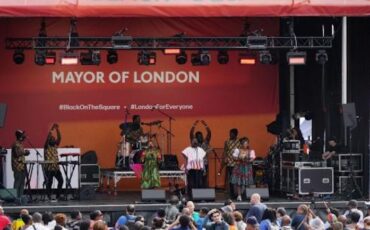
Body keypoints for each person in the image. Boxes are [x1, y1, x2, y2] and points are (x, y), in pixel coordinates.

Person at [44, 123, 63, 200]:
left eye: (54, 139)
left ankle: (58, 195)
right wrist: (51, 130)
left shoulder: (55, 145)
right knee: (50, 182)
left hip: (56, 167)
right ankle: (48, 196)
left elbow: (59, 138)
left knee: (61, 181)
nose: (53, 139)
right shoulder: (46, 146)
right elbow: (48, 138)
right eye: (51, 139)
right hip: (49, 168)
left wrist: (57, 129)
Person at [190, 120, 211, 186]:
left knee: (204, 178)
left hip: (204, 163)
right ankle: (196, 191)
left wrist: (205, 125)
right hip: (196, 164)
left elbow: (209, 133)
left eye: (201, 136)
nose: (200, 137)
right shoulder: (195, 143)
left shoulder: (205, 142)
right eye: (198, 136)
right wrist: (194, 125)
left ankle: (204, 191)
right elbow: (191, 134)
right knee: (196, 179)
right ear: (196, 138)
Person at [220, 129, 240, 199]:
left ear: (236, 134)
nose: (230, 135)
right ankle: (232, 194)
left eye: (232, 133)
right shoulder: (227, 142)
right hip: (229, 163)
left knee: (237, 179)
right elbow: (225, 151)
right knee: (231, 179)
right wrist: (225, 158)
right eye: (230, 133)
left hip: (237, 163)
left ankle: (238, 194)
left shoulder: (239, 142)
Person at [11, 130, 30, 198]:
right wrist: (25, 152)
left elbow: (21, 154)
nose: (23, 136)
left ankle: (20, 197)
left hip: (22, 165)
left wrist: (25, 152)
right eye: (22, 135)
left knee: (22, 182)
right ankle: (15, 197)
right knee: (18, 182)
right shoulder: (15, 144)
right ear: (19, 136)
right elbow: (16, 154)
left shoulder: (21, 144)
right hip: (17, 166)